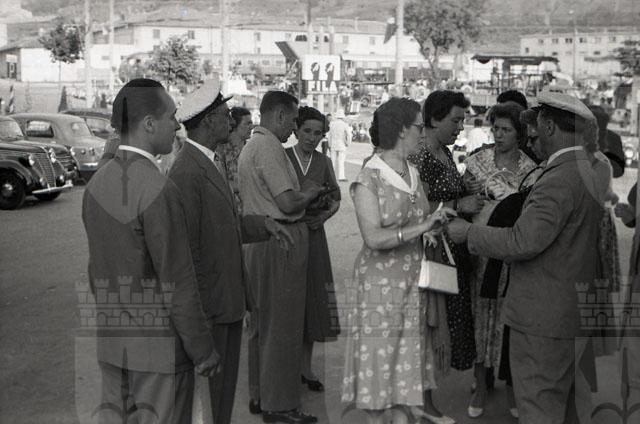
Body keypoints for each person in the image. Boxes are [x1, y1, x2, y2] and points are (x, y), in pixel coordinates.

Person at [447, 91, 602, 424]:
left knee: (539, 407)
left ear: (549, 126)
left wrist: (468, 233)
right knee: (564, 405)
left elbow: (523, 241)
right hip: (567, 311)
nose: (532, 136)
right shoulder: (585, 169)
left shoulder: (558, 178)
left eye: (535, 128)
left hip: (543, 319)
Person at [82, 78, 220, 424]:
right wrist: (202, 350)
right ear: (148, 124)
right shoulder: (159, 188)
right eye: (171, 117)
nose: (177, 126)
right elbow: (179, 283)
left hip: (113, 345)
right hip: (159, 353)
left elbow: (96, 273)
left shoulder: (96, 184)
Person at [168, 80, 293, 424]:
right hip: (211, 310)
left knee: (220, 402)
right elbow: (187, 253)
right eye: (225, 115)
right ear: (208, 121)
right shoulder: (187, 172)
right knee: (210, 406)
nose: (231, 120)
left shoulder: (209, 161)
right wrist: (200, 321)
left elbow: (223, 226)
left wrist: (264, 225)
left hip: (226, 303)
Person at [342, 97, 456, 424]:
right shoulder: (369, 178)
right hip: (379, 286)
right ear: (402, 129)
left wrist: (433, 225)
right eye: (420, 126)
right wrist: (423, 226)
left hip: (411, 283)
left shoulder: (412, 171)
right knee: (381, 362)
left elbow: (421, 218)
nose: (423, 133)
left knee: (405, 362)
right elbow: (373, 238)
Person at [238, 91, 326, 424]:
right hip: (280, 240)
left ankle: (261, 395)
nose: (294, 127)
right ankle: (281, 405)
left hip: (261, 240)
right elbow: (288, 203)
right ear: (278, 115)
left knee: (262, 326)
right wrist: (310, 192)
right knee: (283, 327)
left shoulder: (253, 145)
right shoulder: (269, 148)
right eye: (292, 119)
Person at [462, 101, 539, 419]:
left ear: (520, 134)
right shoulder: (476, 161)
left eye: (506, 129)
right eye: (495, 128)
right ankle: (480, 385)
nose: (499, 134)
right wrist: (468, 195)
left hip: (512, 257)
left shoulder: (531, 170)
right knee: (480, 317)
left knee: (510, 322)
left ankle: (511, 386)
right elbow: (462, 202)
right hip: (481, 254)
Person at [408, 90, 482, 375]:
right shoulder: (421, 155)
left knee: (444, 321)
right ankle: (424, 393)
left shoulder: (444, 152)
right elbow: (416, 207)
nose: (461, 127)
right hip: (431, 252)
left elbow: (443, 191)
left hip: (449, 250)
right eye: (455, 120)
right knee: (432, 321)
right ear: (435, 119)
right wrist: (458, 204)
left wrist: (464, 187)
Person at [284, 106, 341, 393]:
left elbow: (336, 197)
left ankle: (305, 368)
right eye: (307, 131)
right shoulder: (283, 157)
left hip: (315, 237)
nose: (311, 137)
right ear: (296, 130)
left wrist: (324, 216)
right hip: (287, 236)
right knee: (288, 301)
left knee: (312, 300)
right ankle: (285, 367)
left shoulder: (324, 161)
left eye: (318, 133)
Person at [217, 106, 254, 214]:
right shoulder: (221, 150)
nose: (252, 127)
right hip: (231, 209)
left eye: (251, 123)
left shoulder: (251, 149)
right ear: (235, 125)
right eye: (247, 123)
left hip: (251, 209)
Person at [327, 109, 351, 181]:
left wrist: (329, 144)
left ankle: (331, 177)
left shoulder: (332, 124)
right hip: (342, 145)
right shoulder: (345, 124)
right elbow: (349, 135)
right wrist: (348, 143)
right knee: (341, 161)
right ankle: (341, 177)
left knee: (332, 161)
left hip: (333, 144)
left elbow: (329, 135)